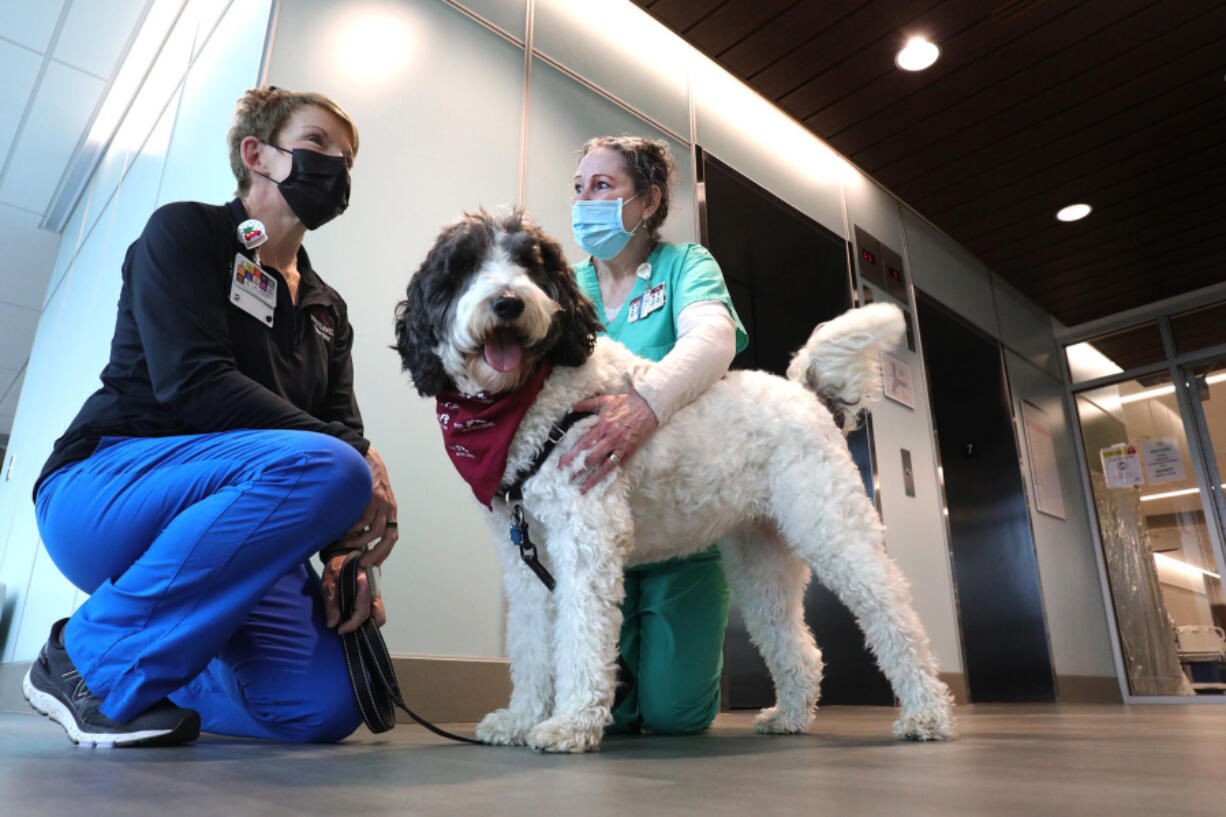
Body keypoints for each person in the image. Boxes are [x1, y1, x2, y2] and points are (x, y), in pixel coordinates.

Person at [23, 87, 397, 747]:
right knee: (334, 463)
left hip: (229, 521)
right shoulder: (187, 232)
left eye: (346, 158)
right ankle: (86, 659)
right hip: (106, 487)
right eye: (317, 147)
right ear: (257, 154)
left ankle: (160, 671)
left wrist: (344, 556)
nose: (336, 168)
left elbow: (345, 430)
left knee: (321, 709)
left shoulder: (326, 310)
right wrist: (357, 464)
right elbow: (194, 386)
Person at [559, 136, 748, 734]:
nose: (585, 201)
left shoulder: (685, 264)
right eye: (579, 188)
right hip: (591, 521)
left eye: (603, 186)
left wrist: (644, 405)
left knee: (675, 717)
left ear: (648, 201)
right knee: (606, 714)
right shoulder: (566, 288)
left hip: (680, 521)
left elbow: (713, 342)